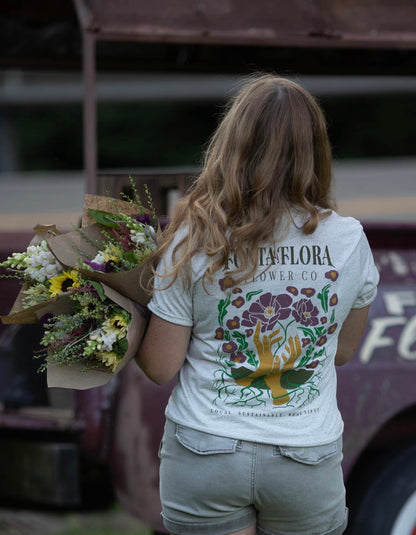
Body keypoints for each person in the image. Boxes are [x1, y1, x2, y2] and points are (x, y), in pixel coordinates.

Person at [136, 74, 379, 535]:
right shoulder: (349, 241)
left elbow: (160, 367)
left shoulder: (194, 236)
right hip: (304, 459)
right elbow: (341, 351)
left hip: (206, 451)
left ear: (231, 144)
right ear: (315, 150)